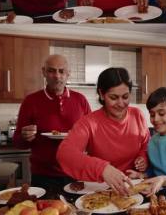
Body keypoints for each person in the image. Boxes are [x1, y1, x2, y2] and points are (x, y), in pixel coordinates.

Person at [57, 67, 150, 196]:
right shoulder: (89, 122)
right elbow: (64, 154)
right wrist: (102, 169)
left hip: (133, 188)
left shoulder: (137, 115)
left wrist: (143, 157)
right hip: (101, 191)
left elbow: (146, 144)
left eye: (125, 96)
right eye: (113, 97)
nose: (121, 103)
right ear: (101, 94)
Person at [12, 54, 91, 196]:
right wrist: (24, 136)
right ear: (44, 72)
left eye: (61, 71)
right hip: (43, 176)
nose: (57, 76)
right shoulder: (30, 101)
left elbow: (91, 137)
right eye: (51, 70)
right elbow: (17, 142)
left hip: (75, 173)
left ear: (68, 74)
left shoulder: (81, 100)